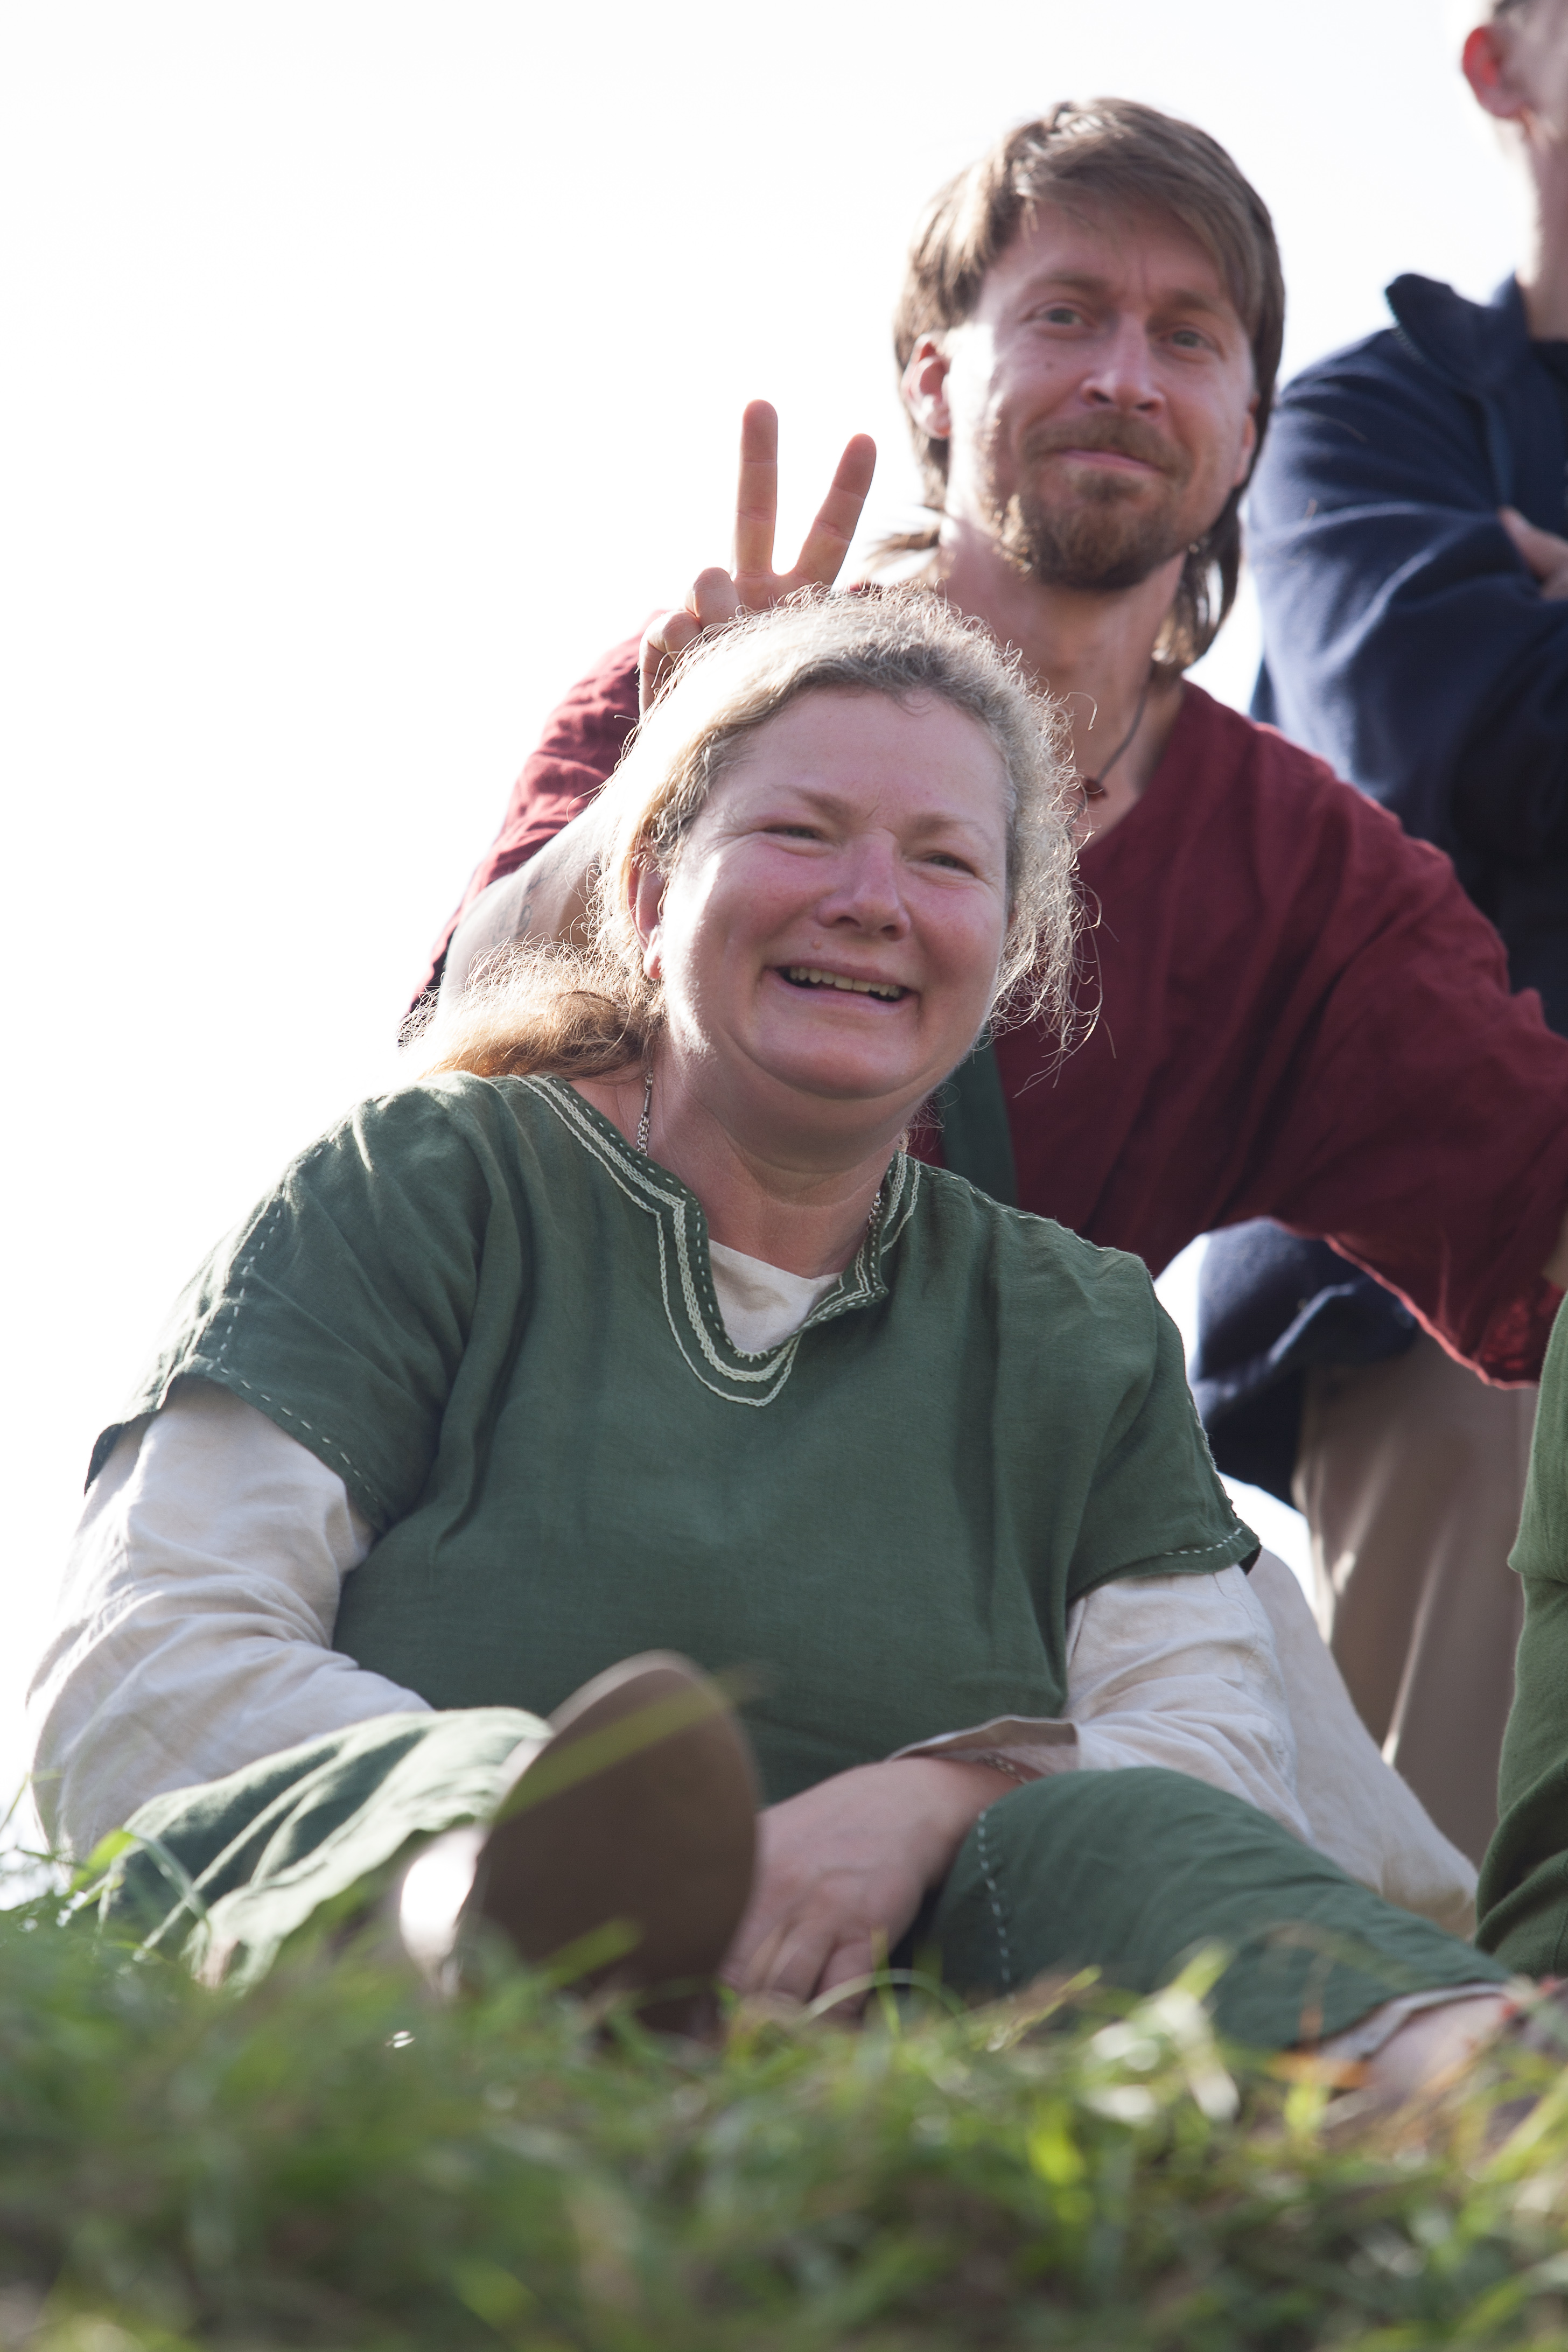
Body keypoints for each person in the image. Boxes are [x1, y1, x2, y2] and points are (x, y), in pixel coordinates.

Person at [30, 593, 1509, 2082]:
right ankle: (528, 1942)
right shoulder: (423, 1188)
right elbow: (149, 1663)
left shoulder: (1077, 1327)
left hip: (924, 2030)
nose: (872, 899)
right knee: (477, 1850)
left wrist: (937, 1803)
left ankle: (1486, 2090)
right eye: (800, 833)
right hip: (421, 2010)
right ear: (651, 887)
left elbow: (1214, 1751)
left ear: (1009, 949)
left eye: (945, 860)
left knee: (1114, 1832)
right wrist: (548, 1820)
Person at [417, 100, 1568, 1866]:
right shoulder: (715, 678)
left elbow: (1534, 1203)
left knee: (1406, 1918)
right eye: (1065, 314)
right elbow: (457, 1053)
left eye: (1189, 336)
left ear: (1248, 428)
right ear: (937, 379)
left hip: (1000, 1561)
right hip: (589, 1498)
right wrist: (678, 766)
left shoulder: (1302, 877)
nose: (1124, 375)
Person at [1198, 0, 1568, 1865]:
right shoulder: (1365, 418)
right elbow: (1476, 748)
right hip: (1465, 1309)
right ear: (1506, 67)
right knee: (1446, 1924)